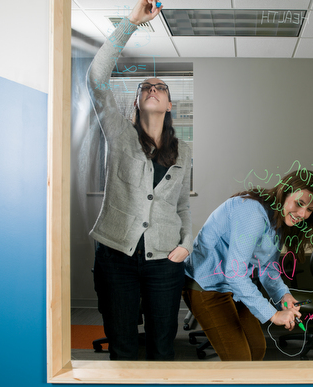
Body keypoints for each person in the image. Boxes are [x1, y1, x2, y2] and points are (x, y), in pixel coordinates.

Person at [87, 1, 192, 360]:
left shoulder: (185, 150)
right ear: (134, 103)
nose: (152, 88)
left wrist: (187, 242)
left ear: (169, 105)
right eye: (145, 86)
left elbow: (182, 204)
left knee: (163, 344)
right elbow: (96, 78)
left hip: (165, 258)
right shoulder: (118, 133)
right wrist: (131, 22)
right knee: (123, 343)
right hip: (116, 254)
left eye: (160, 87)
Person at [183, 171, 313, 361]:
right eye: (299, 203)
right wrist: (273, 315)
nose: (303, 214)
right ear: (284, 192)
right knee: (240, 360)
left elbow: (268, 267)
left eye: (310, 209)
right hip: (206, 285)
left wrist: (284, 295)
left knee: (256, 349)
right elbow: (235, 273)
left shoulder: (278, 218)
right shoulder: (253, 212)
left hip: (232, 287)